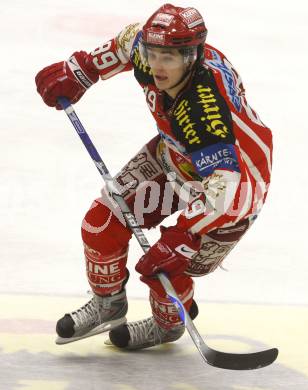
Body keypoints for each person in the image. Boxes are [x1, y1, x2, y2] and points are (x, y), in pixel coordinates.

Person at [35, 3, 273, 349]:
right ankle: (107, 305)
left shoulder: (202, 109)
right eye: (153, 53)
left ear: (192, 56)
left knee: (167, 269)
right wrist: (82, 70)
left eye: (169, 58)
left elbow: (227, 189)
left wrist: (183, 235)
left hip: (237, 190)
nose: (157, 66)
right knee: (101, 223)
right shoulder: (148, 51)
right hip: (175, 156)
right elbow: (129, 39)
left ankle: (168, 324)